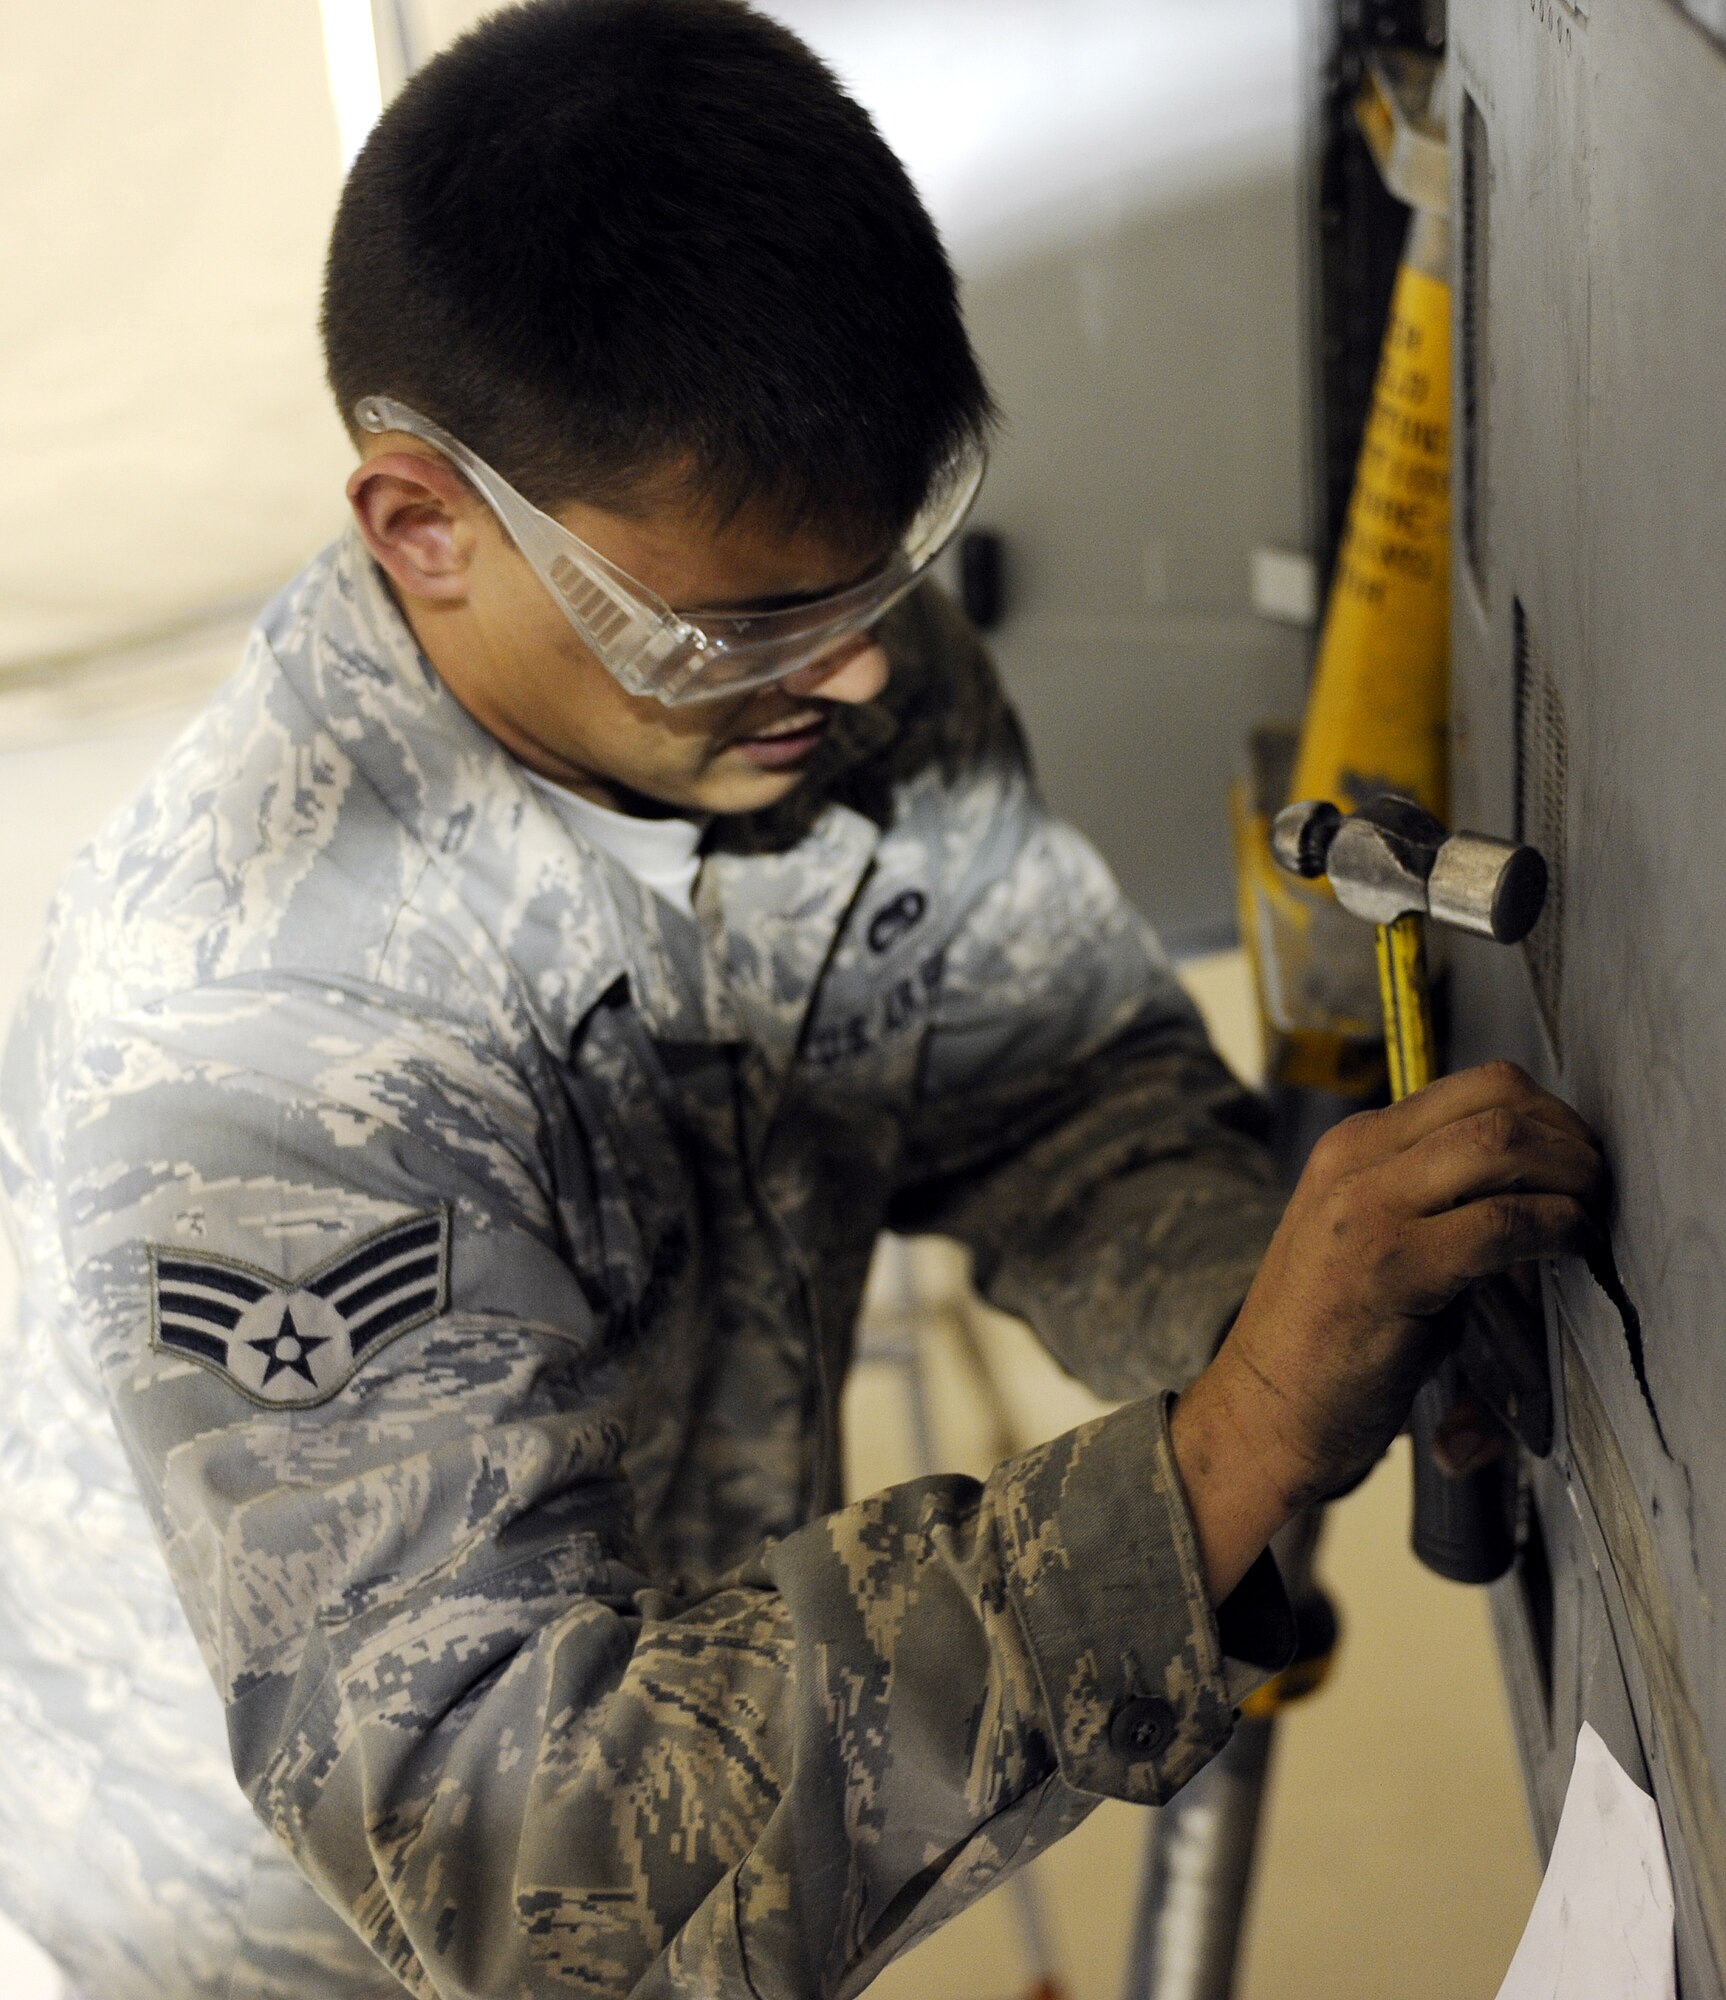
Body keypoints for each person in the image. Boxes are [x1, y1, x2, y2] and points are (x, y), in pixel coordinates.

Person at [0, 3, 1602, 1995]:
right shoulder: (256, 1048)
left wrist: (1299, 1314)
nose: (853, 684)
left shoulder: (800, 652)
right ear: (426, 529)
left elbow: (1043, 1094)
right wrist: (1221, 1453)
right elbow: (535, 1877)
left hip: (698, 1708)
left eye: (883, 571)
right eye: (746, 625)